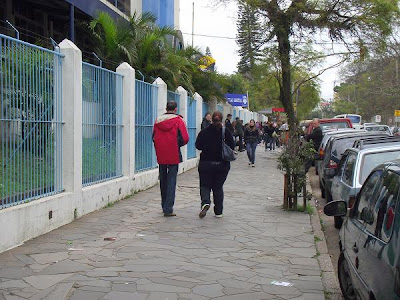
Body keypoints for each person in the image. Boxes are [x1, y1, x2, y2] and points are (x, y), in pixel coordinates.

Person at [195, 111, 235, 219]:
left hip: (205, 164)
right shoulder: (225, 132)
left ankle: (205, 202)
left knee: (205, 185)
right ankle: (218, 211)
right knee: (218, 187)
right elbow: (233, 145)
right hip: (222, 164)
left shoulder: (204, 132)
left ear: (211, 119)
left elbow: (198, 145)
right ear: (221, 120)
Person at [153, 101, 189, 217]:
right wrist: (176, 144)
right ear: (175, 109)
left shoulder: (158, 120)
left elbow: (153, 137)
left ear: (166, 108)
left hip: (161, 154)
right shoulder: (178, 120)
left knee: (163, 179)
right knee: (171, 180)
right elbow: (185, 138)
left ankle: (164, 205)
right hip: (173, 153)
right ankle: (168, 208)